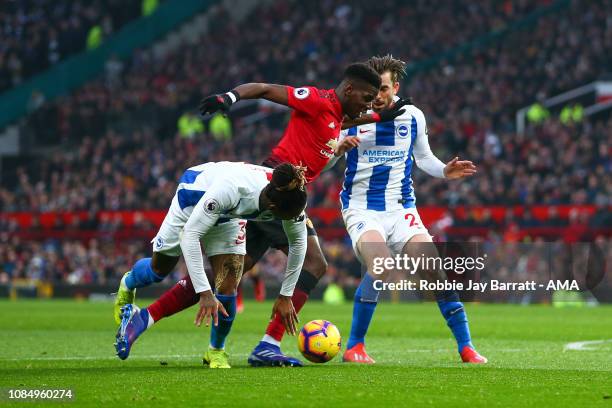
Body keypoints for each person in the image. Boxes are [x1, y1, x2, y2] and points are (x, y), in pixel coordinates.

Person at [113, 62, 409, 367]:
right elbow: (267, 89)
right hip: (274, 191)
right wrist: (230, 97)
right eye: (366, 96)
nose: (369, 103)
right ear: (349, 89)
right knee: (314, 262)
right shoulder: (317, 101)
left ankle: (147, 317)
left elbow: (349, 122)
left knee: (226, 276)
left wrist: (380, 116)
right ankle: (269, 343)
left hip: (284, 197)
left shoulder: (337, 118)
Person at [329, 55, 487, 364]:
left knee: (435, 271)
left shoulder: (412, 115)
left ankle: (466, 347)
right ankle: (354, 346)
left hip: (402, 210)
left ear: (395, 87)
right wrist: (337, 150)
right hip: (362, 209)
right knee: (382, 265)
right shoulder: (351, 115)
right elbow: (325, 158)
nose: (376, 95)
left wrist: (444, 170)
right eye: (372, 88)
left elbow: (423, 157)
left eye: (383, 88)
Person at [114, 161, 308, 368]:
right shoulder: (233, 189)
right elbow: (190, 235)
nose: (294, 219)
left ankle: (216, 351)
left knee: (230, 278)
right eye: (289, 217)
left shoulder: (289, 194)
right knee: (159, 269)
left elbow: (298, 242)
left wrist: (286, 295)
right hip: (193, 197)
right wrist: (205, 292)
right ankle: (128, 282)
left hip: (230, 215)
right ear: (272, 208)